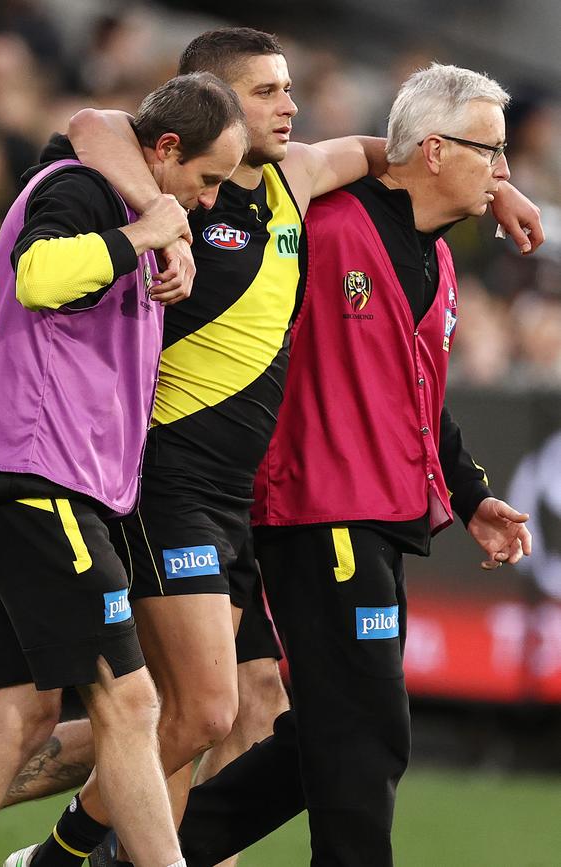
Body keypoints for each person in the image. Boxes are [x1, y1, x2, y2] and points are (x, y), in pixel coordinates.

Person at [0, 28, 542, 867]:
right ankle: (54, 853)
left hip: (241, 496)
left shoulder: (295, 185)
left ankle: (51, 841)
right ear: (214, 112)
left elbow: (395, 159)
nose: (291, 105)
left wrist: (494, 187)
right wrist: (159, 221)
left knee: (222, 707)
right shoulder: (184, 197)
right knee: (207, 712)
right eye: (270, 91)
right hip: (189, 481)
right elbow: (93, 123)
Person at [171, 63, 535, 867]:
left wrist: (471, 491)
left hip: (381, 516)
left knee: (335, 730)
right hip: (317, 511)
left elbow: (421, 397)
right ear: (435, 151)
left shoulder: (438, 261)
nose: (507, 171)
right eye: (494, 152)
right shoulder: (324, 226)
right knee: (365, 733)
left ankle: (124, 852)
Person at [0, 71, 247, 867]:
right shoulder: (86, 191)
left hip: (27, 472)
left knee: (19, 719)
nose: (205, 202)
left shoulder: (122, 200)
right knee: (129, 701)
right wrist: (141, 235)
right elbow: (39, 278)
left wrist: (152, 237)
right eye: (204, 180)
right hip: (37, 474)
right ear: (165, 149)